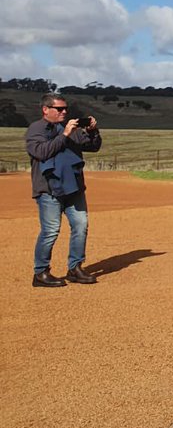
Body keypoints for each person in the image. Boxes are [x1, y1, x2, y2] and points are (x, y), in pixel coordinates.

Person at [26, 93, 102, 287]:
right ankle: (40, 273)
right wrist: (64, 135)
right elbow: (41, 152)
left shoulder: (71, 128)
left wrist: (92, 131)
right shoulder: (36, 129)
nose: (64, 112)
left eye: (65, 109)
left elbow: (93, 147)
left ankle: (75, 268)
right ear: (45, 109)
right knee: (51, 231)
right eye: (59, 109)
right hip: (49, 188)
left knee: (81, 226)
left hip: (74, 187)